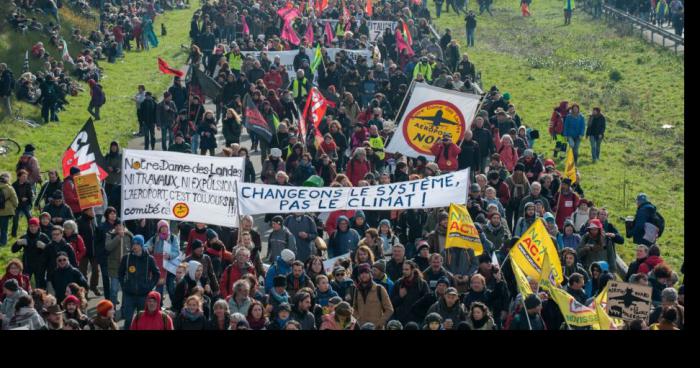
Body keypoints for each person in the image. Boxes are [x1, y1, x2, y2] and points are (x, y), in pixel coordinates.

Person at [118, 235, 160, 330]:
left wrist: (149, 286)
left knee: (142, 319)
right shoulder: (126, 258)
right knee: (128, 319)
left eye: (137, 244)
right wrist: (124, 286)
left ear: (141, 245)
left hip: (143, 295)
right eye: (133, 243)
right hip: (129, 295)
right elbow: (120, 273)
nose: (134, 246)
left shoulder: (149, 259)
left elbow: (156, 274)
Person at [144, 220, 180, 303]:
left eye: (165, 227)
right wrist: (148, 249)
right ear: (158, 229)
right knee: (159, 288)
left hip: (170, 267)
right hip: (158, 267)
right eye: (162, 228)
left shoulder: (172, 238)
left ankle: (175, 305)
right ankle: (159, 306)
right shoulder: (154, 238)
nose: (164, 229)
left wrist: (170, 255)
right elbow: (145, 246)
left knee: (171, 287)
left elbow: (177, 251)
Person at [348, 263, 393, 329]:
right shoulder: (357, 290)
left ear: (370, 274)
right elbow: (354, 309)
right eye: (361, 273)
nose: (364, 275)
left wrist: (379, 324)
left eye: (366, 272)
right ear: (359, 275)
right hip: (362, 327)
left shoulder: (379, 289)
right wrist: (358, 320)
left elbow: (389, 310)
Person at [11, 217, 51, 289]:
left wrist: (45, 247)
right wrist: (18, 243)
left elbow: (52, 252)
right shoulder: (25, 237)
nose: (33, 228)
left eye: (35, 226)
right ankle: (25, 298)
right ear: (28, 227)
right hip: (27, 264)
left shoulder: (43, 237)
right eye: (31, 226)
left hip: (40, 264)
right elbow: (13, 250)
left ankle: (41, 299)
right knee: (24, 284)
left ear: (38, 226)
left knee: (41, 284)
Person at [391, 260, 430, 325]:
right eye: (403, 269)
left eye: (406, 269)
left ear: (413, 270)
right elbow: (391, 303)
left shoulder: (422, 284)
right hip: (401, 320)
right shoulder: (398, 283)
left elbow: (427, 302)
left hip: (417, 320)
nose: (404, 272)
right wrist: (400, 297)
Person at [105, 220, 131, 303]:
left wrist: (128, 233)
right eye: (117, 225)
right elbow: (108, 247)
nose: (119, 227)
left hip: (126, 267)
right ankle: (112, 309)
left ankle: (124, 309)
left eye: (121, 225)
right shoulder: (110, 235)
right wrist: (118, 237)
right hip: (114, 267)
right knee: (113, 290)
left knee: (125, 290)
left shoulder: (128, 235)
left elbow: (134, 245)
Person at [0, 172, 19, 246]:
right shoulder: (9, 188)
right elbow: (15, 201)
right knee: (4, 229)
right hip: (6, 211)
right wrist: (14, 207)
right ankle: (3, 243)